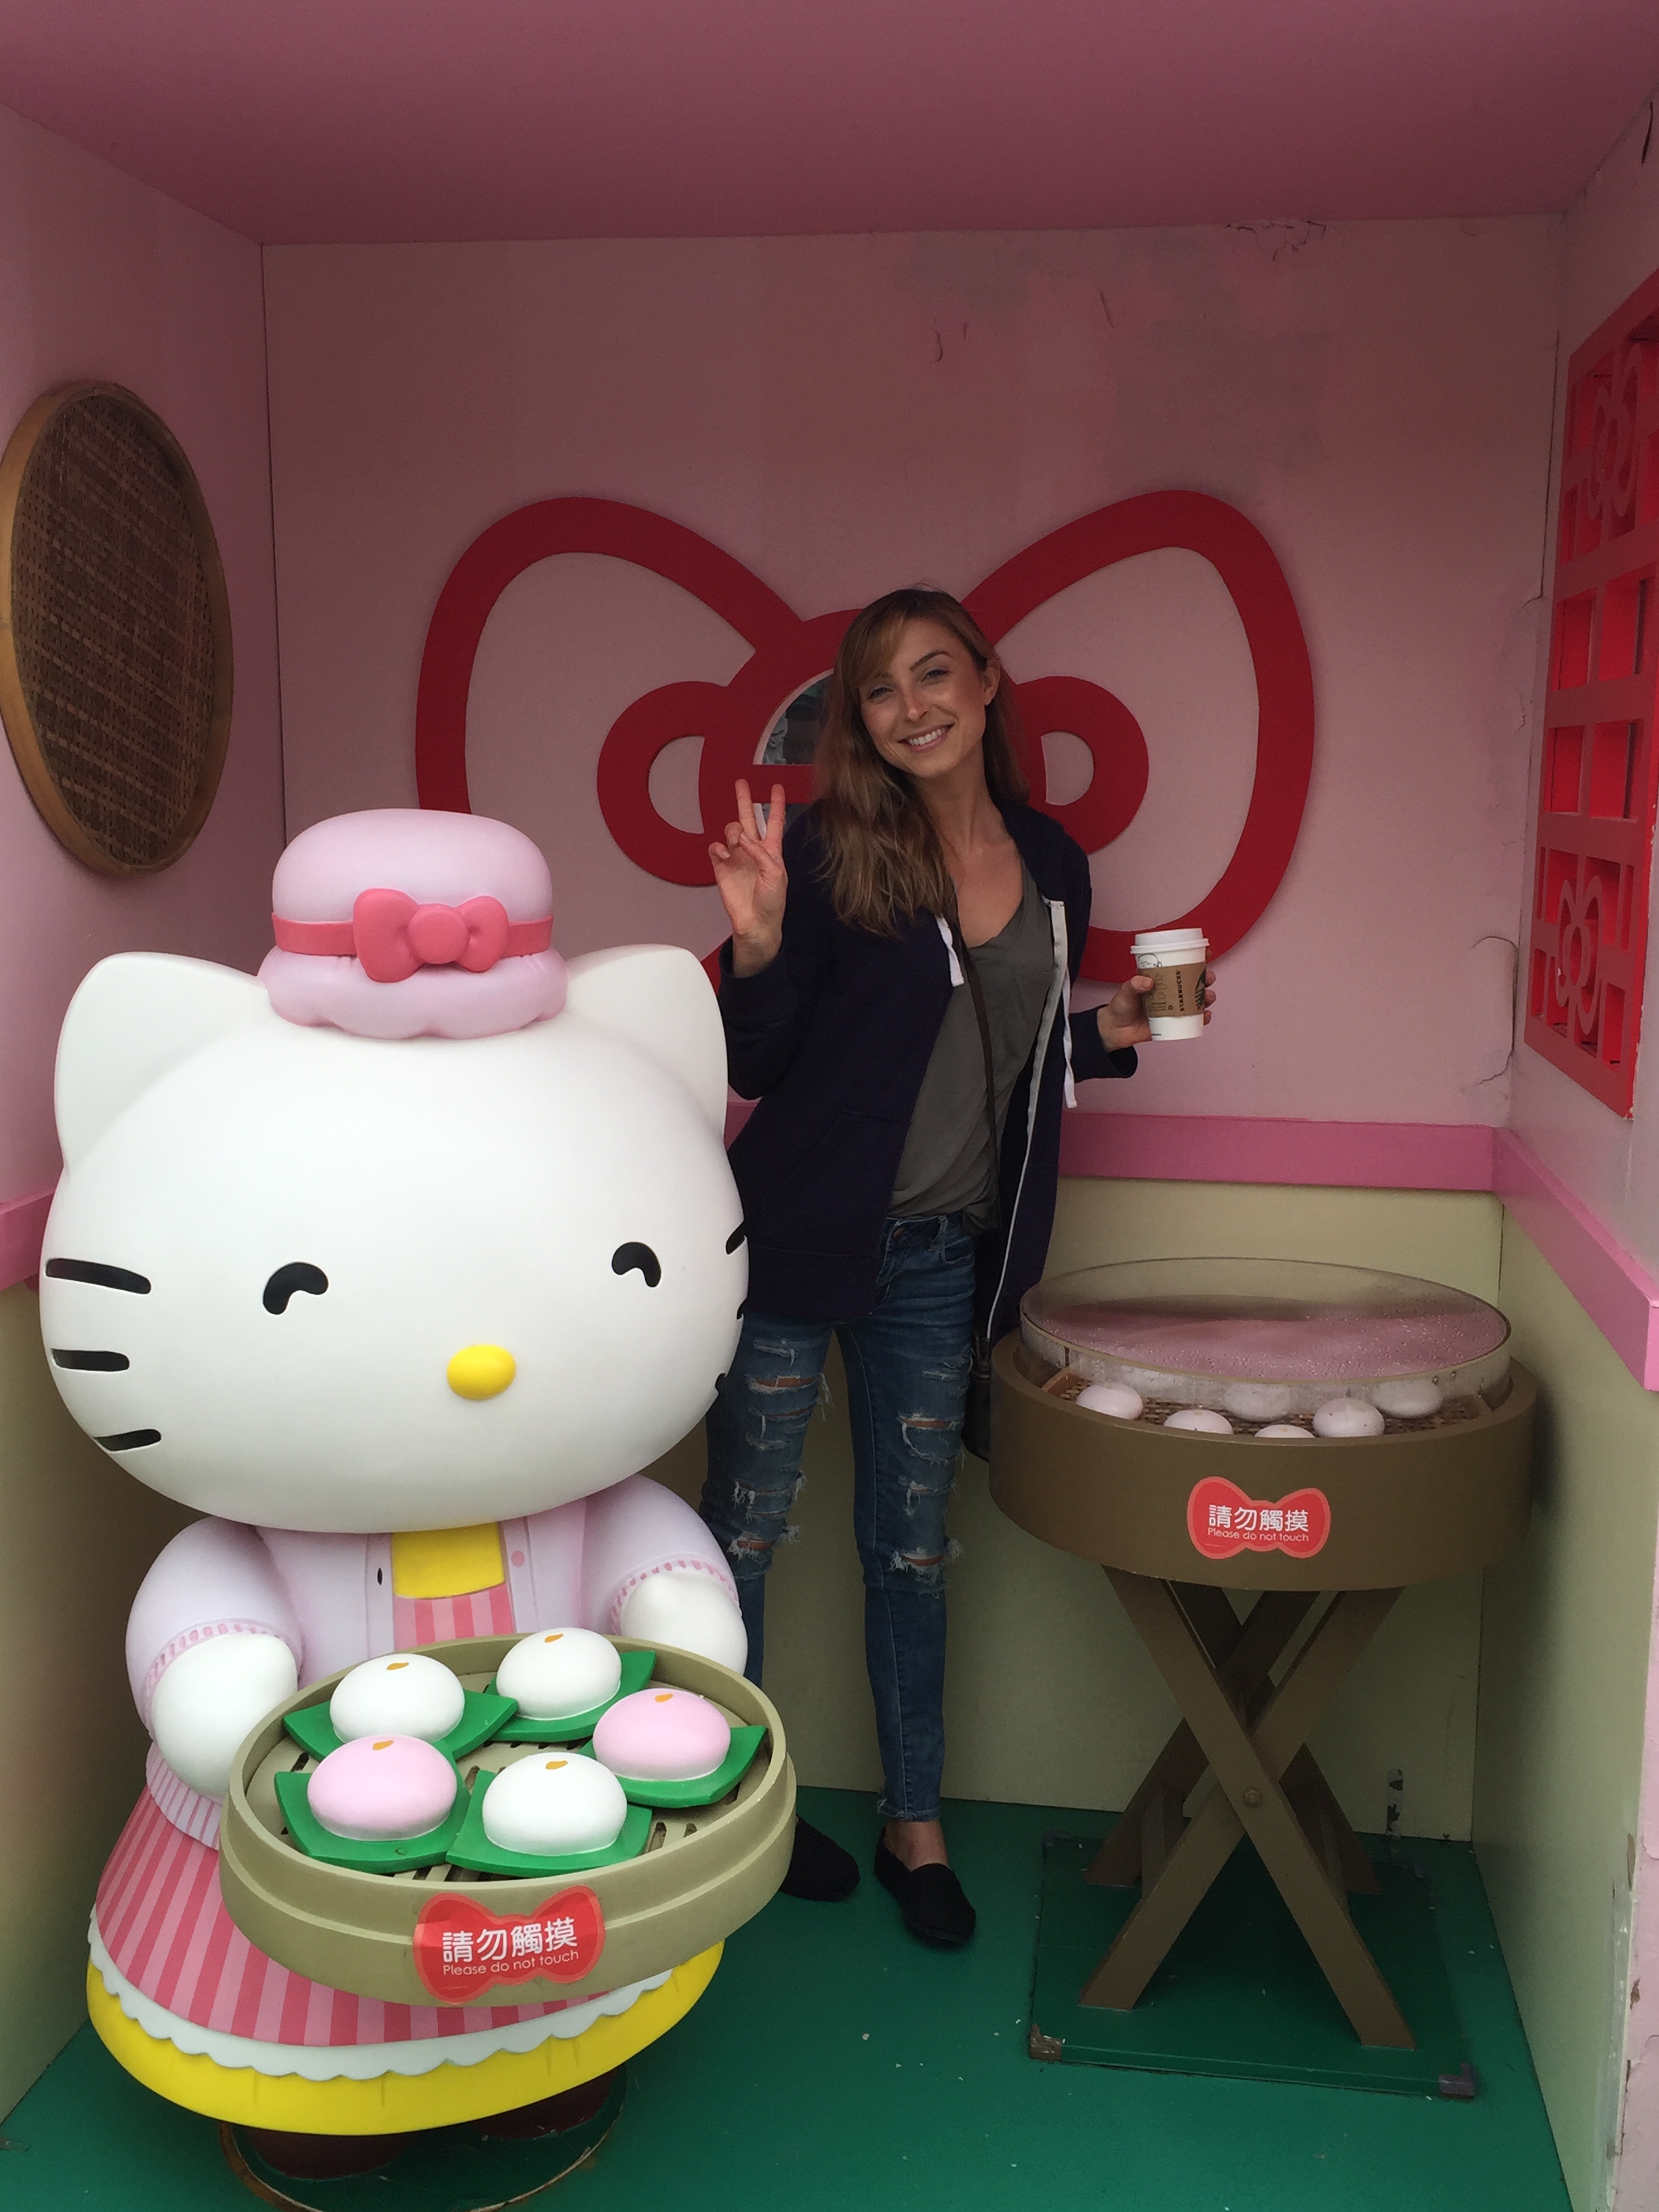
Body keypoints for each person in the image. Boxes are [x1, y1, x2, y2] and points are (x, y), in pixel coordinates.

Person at [699, 588, 1212, 1947]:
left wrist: (1119, 1030)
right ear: (859, 718)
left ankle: (913, 1825)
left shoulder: (1053, 863)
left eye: (935, 674)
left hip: (940, 1260)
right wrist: (758, 942)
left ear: (987, 684)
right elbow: (759, 1060)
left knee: (911, 1553)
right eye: (880, 688)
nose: (912, 706)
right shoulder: (827, 849)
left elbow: (1013, 1053)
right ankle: (732, 1807)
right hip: (792, 1241)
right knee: (740, 1538)